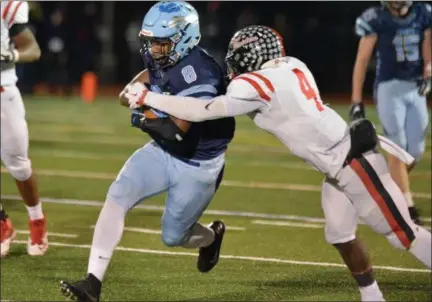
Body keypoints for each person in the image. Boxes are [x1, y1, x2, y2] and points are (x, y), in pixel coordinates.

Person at [129, 25, 431, 301]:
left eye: (237, 57)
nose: (233, 65)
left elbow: (202, 110)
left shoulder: (256, 84)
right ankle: (372, 296)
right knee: (340, 235)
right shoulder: (292, 65)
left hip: (353, 163)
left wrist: (149, 97)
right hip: (337, 166)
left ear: (250, 57)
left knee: (402, 234)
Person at [60, 2, 235, 301]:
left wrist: (142, 114)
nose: (154, 50)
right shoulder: (165, 60)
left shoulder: (199, 72)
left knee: (173, 237)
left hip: (197, 164)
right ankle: (92, 282)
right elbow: (124, 96)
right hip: (162, 151)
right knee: (117, 195)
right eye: (151, 42)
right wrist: (141, 100)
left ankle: (211, 237)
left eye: (161, 43)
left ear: (185, 38)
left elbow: (176, 132)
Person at [350, 1, 431, 225]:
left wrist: (428, 70)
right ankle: (407, 206)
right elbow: (362, 60)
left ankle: (383, 188)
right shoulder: (376, 18)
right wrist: (356, 100)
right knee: (397, 145)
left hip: (415, 88)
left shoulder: (423, 13)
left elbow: (427, 43)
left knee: (415, 150)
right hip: (389, 88)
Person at [1, 0, 48, 258]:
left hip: (2, 91)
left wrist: (11, 55)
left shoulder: (7, 6)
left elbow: (33, 49)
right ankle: (2, 224)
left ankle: (37, 219)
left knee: (18, 165)